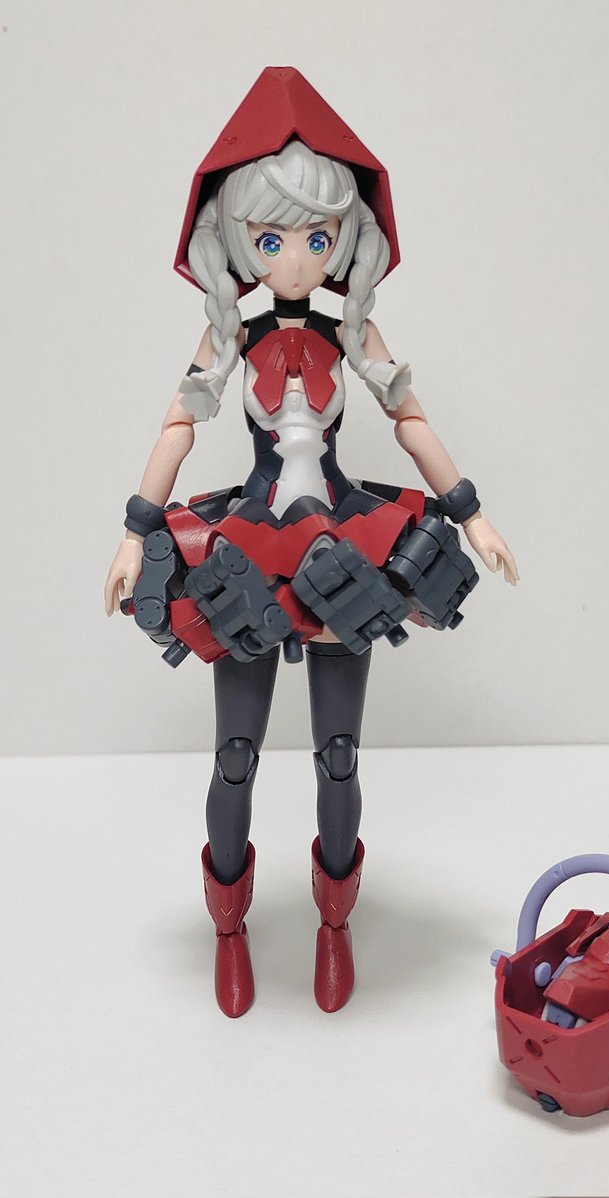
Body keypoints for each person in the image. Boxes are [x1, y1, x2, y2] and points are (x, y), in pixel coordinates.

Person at [104, 68, 518, 1018]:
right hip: (250, 548)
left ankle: (335, 924)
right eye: (270, 238)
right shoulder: (229, 332)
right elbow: (178, 426)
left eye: (316, 238)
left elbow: (410, 417)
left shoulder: (351, 329)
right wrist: (134, 531)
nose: (293, 259)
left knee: (337, 753)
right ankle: (230, 930)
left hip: (339, 542)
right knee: (235, 754)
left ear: (346, 240)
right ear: (234, 240)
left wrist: (468, 512)